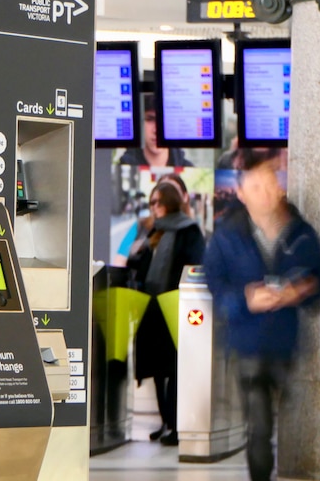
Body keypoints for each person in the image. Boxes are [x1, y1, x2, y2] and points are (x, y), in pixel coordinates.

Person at [203, 155, 320, 481]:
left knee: (297, 423)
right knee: (259, 426)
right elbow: (215, 286)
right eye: (255, 186)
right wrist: (245, 299)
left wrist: (301, 290)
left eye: (270, 184)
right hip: (248, 346)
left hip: (289, 346)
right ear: (241, 193)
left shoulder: (300, 233)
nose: (265, 192)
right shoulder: (226, 236)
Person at [128, 180, 206, 446]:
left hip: (177, 307)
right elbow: (135, 263)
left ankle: (177, 425)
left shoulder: (188, 230)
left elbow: (196, 265)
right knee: (157, 367)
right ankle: (165, 422)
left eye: (158, 202)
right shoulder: (153, 231)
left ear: (171, 202)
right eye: (151, 202)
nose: (154, 207)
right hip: (152, 307)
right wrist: (138, 250)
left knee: (175, 367)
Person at [113, 172, 194, 266]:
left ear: (185, 197)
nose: (166, 200)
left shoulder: (192, 233)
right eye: (162, 193)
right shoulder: (141, 226)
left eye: (172, 193)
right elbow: (120, 261)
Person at [119, 93, 193, 167]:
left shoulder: (188, 167)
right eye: (150, 119)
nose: (157, 130)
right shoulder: (124, 164)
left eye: (164, 120)